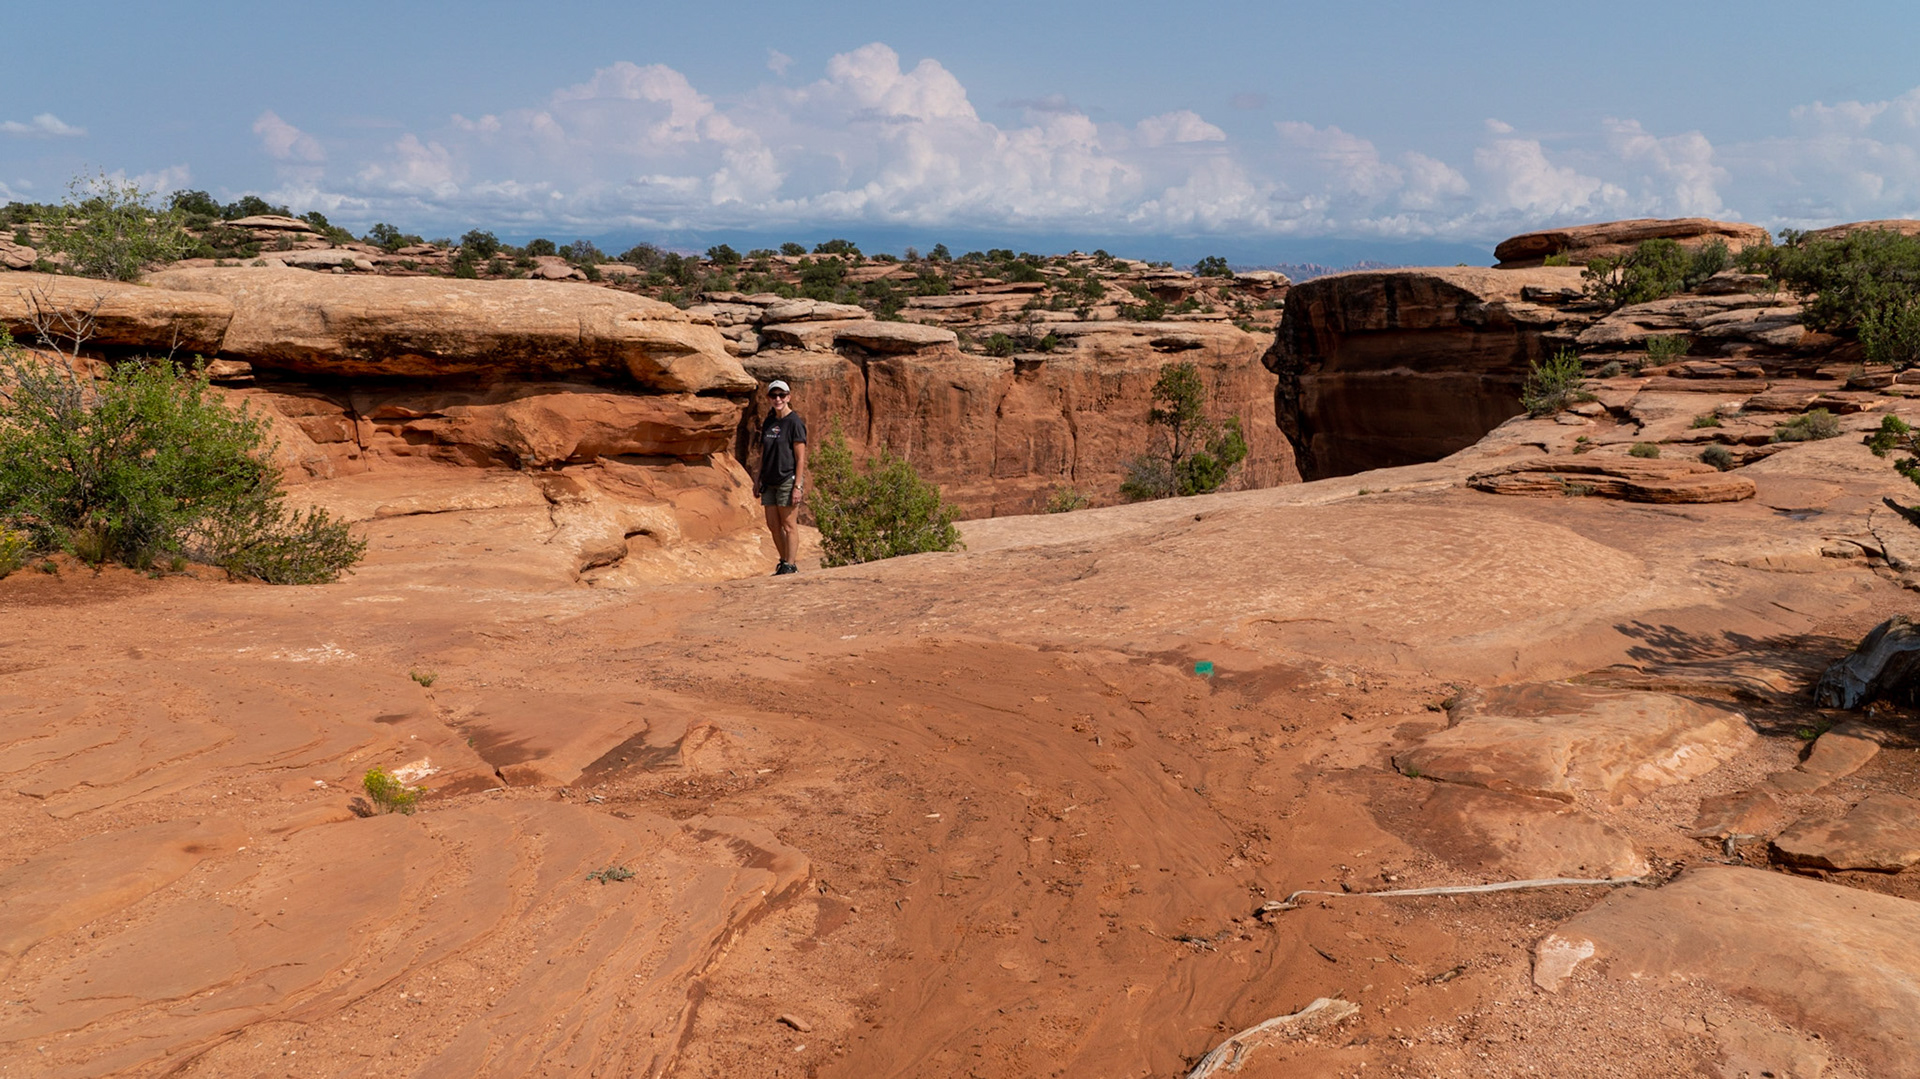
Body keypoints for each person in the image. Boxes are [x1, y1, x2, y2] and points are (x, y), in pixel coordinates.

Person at [755, 379, 808, 575]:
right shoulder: (769, 422)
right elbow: (763, 453)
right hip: (768, 481)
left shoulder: (794, 423)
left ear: (789, 397)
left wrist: (797, 486)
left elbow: (800, 458)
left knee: (788, 524)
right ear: (769, 398)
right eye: (774, 395)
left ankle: (791, 565)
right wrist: (757, 479)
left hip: (787, 479)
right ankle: (784, 561)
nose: (778, 399)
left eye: (782, 395)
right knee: (773, 525)